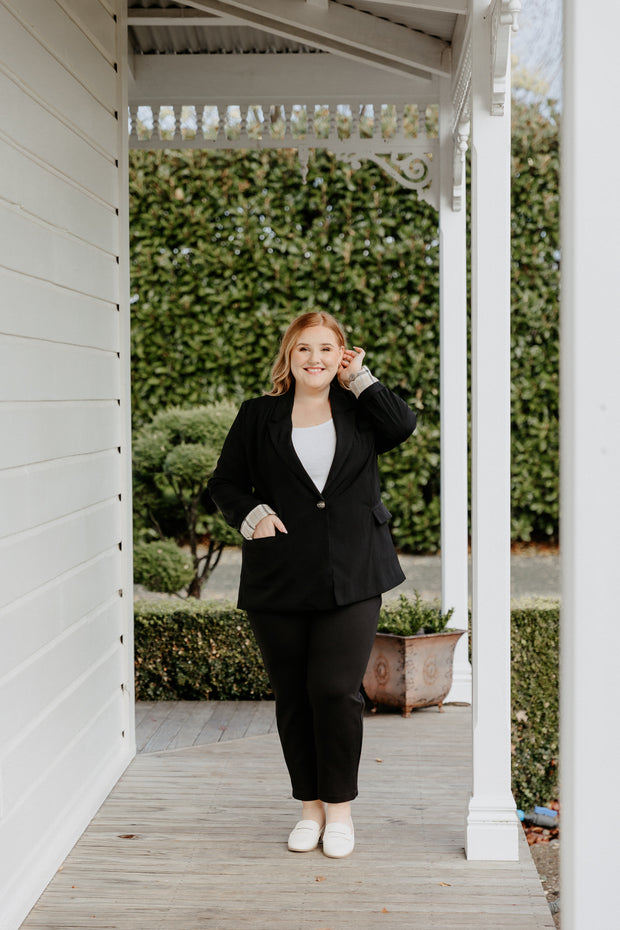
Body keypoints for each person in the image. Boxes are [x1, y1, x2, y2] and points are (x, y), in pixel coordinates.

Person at [208, 311, 416, 858]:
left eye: (326, 348)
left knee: (335, 690)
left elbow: (403, 426)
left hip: (354, 570)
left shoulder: (360, 410)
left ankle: (340, 810)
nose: (315, 358)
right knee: (295, 696)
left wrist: (362, 379)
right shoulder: (259, 416)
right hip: (279, 574)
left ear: (342, 354)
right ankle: (309, 807)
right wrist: (250, 514)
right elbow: (225, 481)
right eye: (304, 349)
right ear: (289, 356)